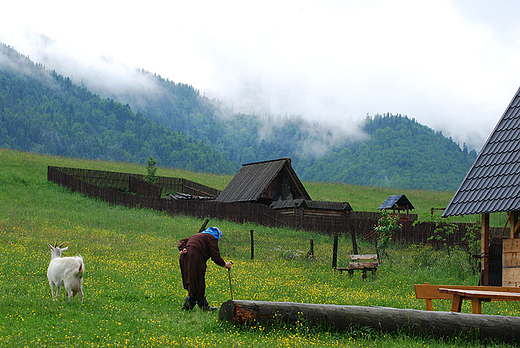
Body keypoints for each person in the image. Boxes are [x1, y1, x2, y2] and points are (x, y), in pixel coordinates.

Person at [177, 226, 232, 311]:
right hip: (194, 258)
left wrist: (182, 248)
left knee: (193, 282)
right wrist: (224, 264)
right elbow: (215, 256)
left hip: (184, 258)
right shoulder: (212, 238)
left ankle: (203, 306)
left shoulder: (197, 235)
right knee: (197, 282)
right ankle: (187, 308)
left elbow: (181, 241)